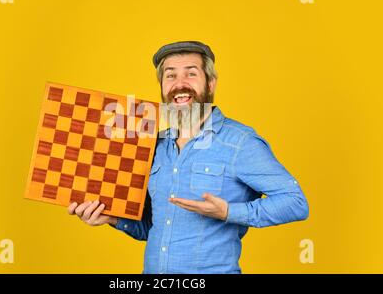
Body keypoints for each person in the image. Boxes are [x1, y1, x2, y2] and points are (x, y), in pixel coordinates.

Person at [67, 41, 309, 273]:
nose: (179, 84)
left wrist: (228, 212)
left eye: (191, 73)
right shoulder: (154, 145)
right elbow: (155, 227)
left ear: (211, 83)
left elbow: (295, 202)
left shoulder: (240, 142)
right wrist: (113, 218)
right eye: (170, 75)